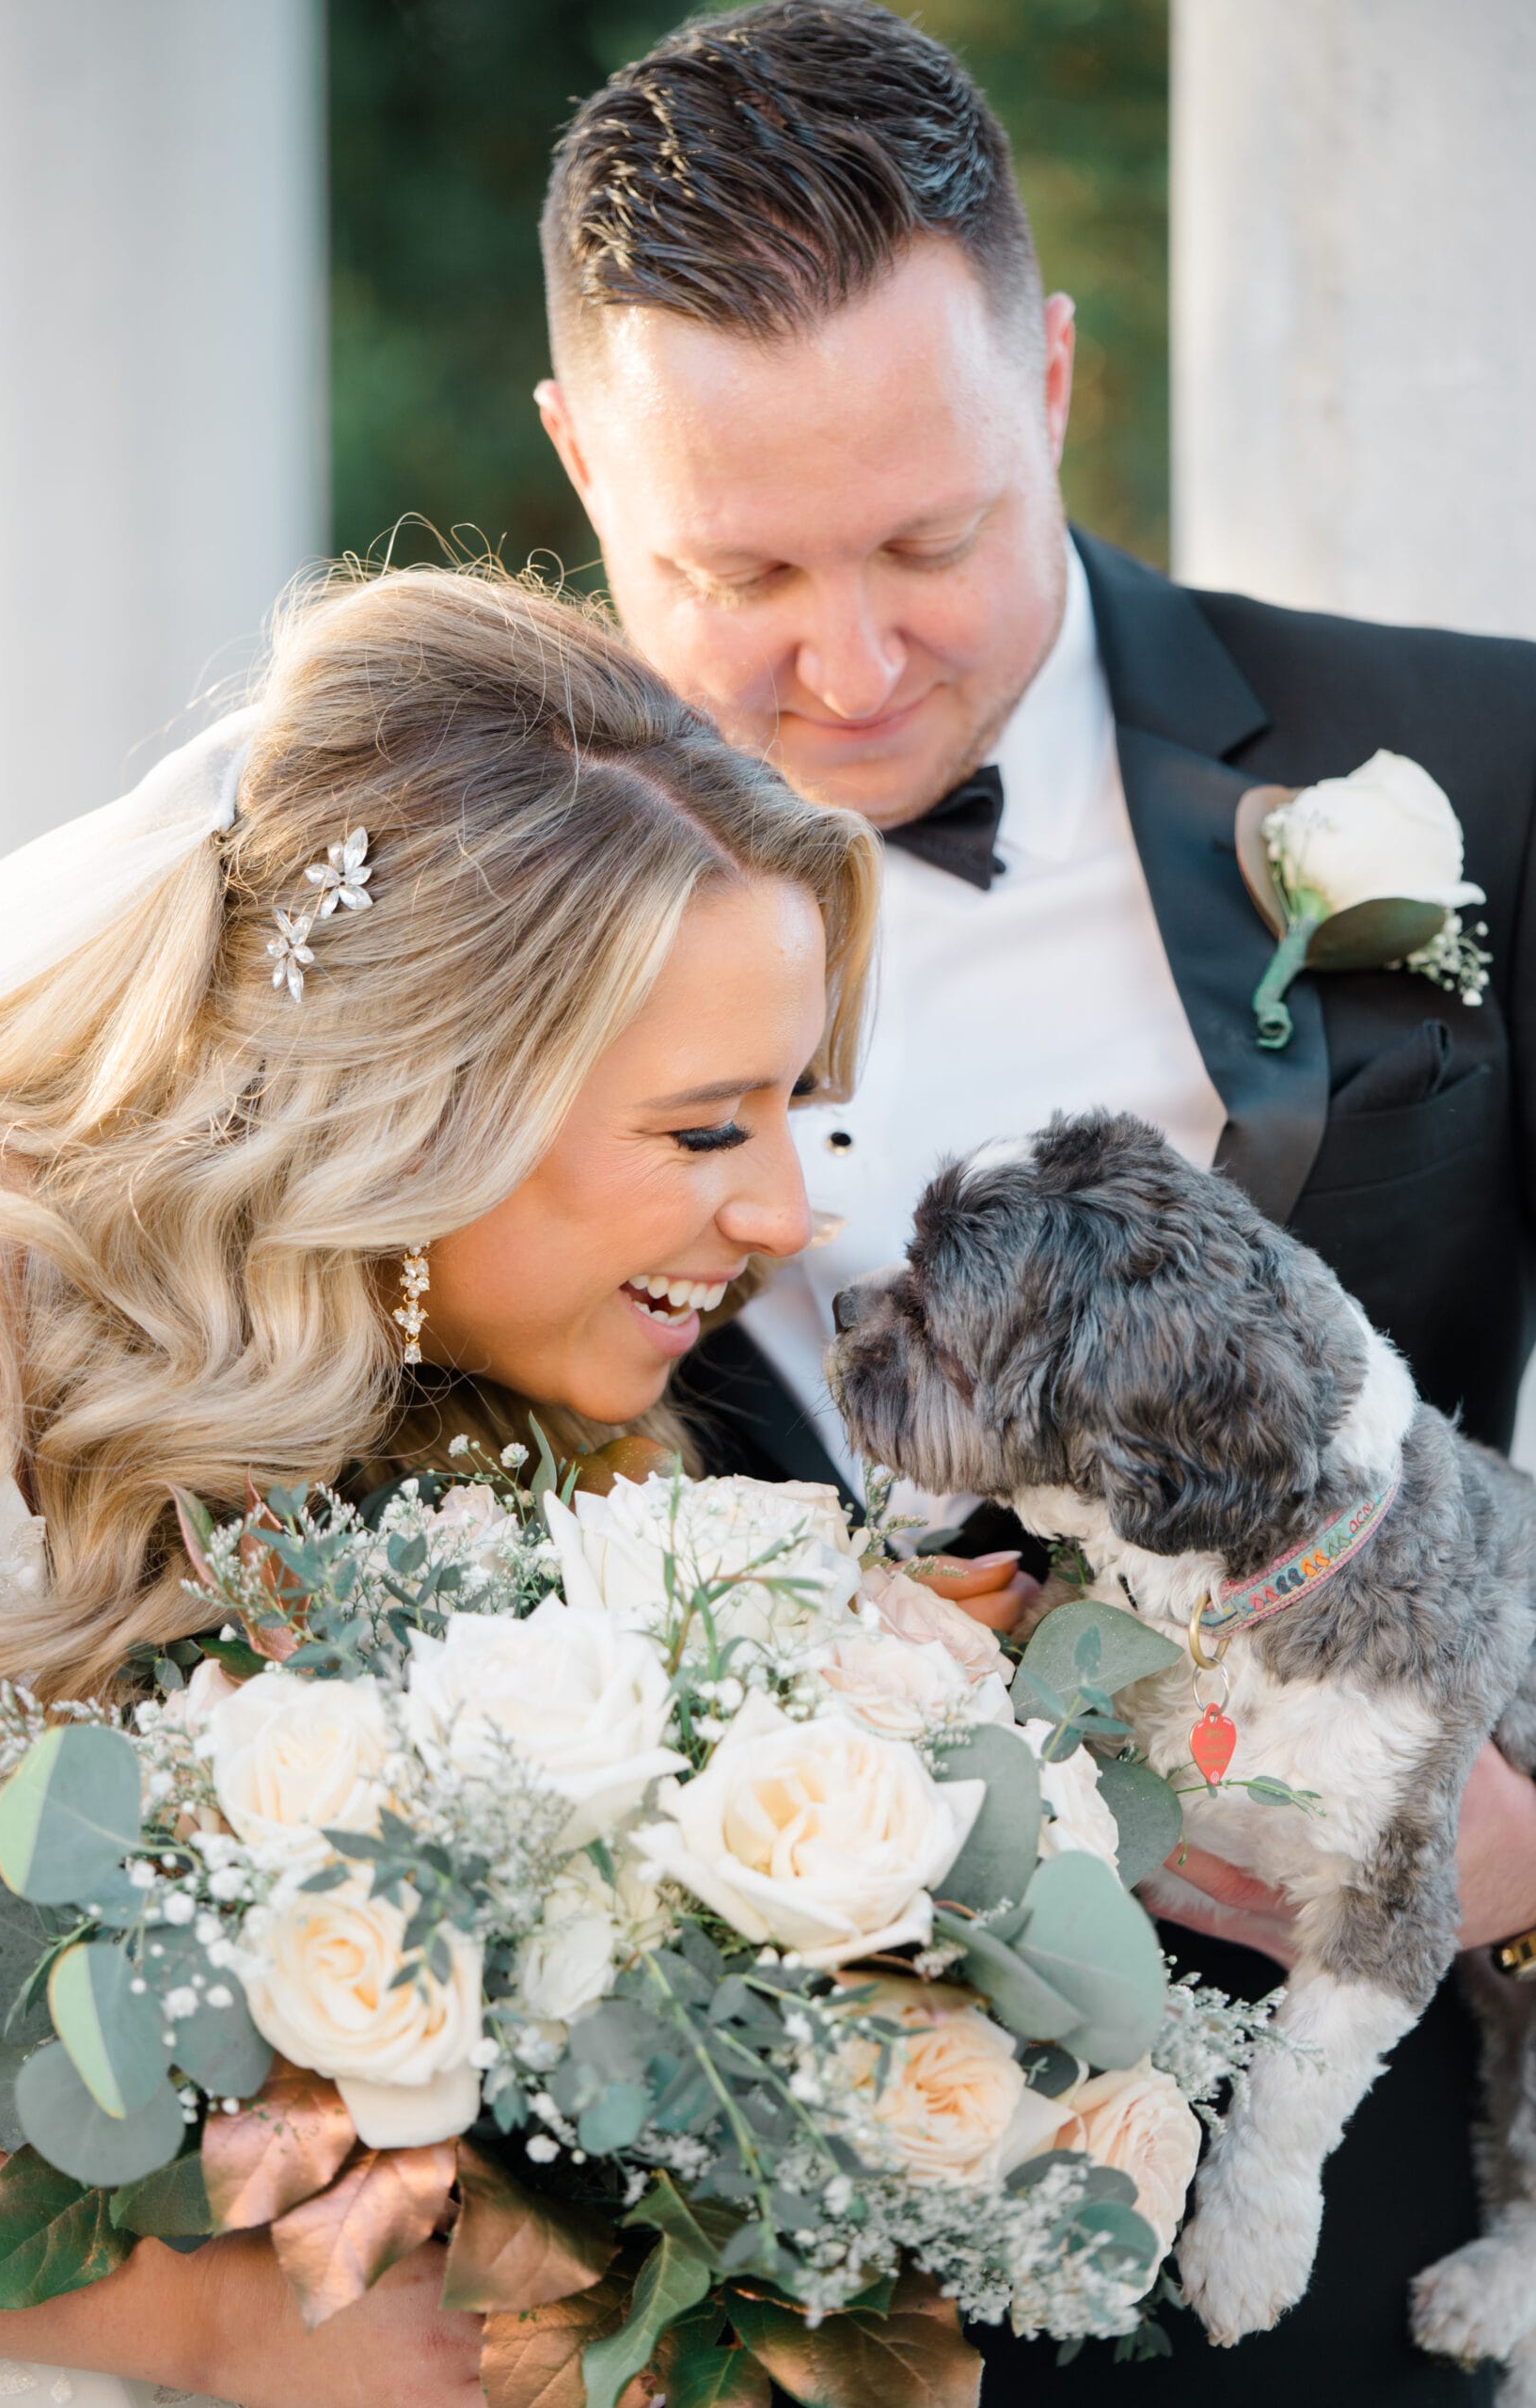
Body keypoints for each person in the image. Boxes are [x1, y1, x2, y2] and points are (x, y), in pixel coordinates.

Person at [534, 5, 1536, 2398]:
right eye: (741, 567)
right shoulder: (422, 904)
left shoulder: (1484, 759)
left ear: (1056, 382)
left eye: (929, 537)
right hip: (704, 2231)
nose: (854, 660)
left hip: (1337, 2200)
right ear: (579, 463)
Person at [0, 562, 880, 2405]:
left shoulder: (461, 1395)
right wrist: (208, 2320)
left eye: (796, 1109)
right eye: (705, 1125)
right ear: (433, 1098)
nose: (782, 1214)